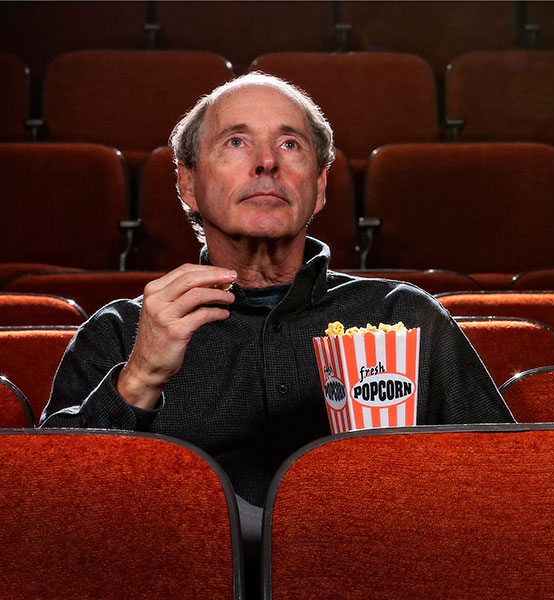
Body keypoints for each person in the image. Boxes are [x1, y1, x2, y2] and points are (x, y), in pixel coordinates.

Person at [41, 72, 513, 596]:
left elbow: (506, 500)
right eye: (236, 142)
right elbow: (53, 528)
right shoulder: (120, 332)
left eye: (290, 144)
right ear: (187, 184)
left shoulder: (407, 318)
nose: (267, 163)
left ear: (319, 188)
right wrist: (140, 378)